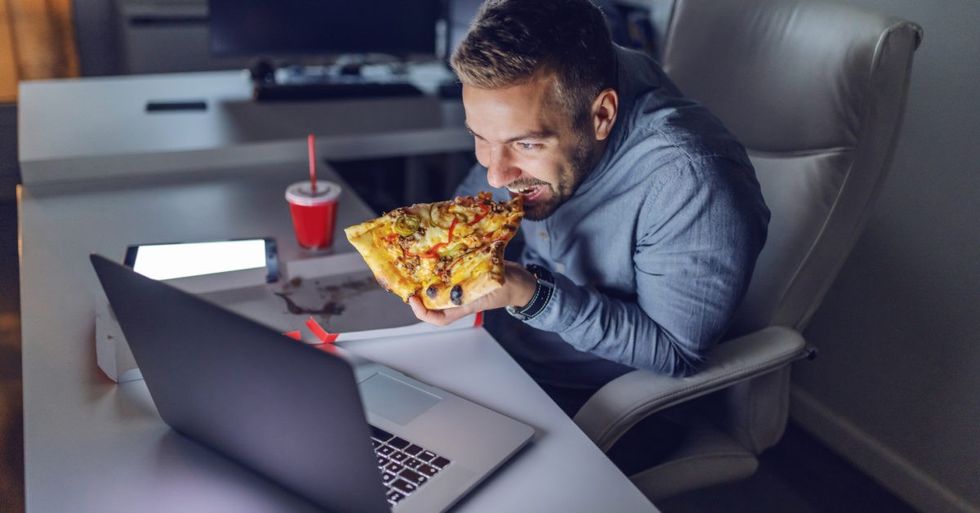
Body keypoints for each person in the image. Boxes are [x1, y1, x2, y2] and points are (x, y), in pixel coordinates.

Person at [408, 0, 770, 464]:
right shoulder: (551, 91)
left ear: (602, 115)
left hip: (611, 403)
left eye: (527, 144)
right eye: (480, 137)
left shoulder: (693, 179)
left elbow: (676, 353)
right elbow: (482, 203)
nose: (495, 176)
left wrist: (528, 293)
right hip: (503, 355)